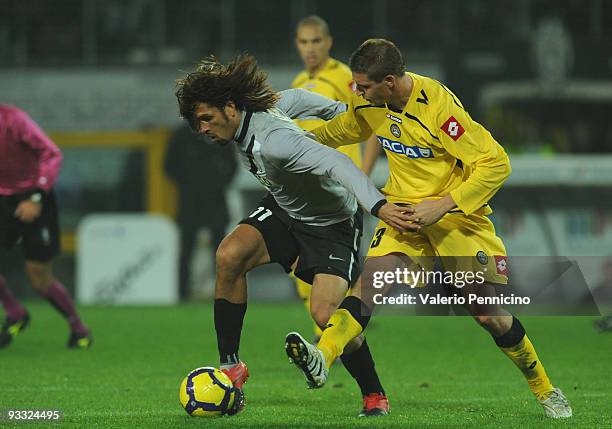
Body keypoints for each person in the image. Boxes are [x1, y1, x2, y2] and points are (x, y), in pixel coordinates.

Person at [284, 39, 572, 419]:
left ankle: (545, 388)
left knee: (490, 315)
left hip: (456, 216)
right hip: (404, 214)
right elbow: (350, 127)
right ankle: (322, 355)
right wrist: (299, 141)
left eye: (364, 86)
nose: (357, 91)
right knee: (369, 286)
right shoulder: (369, 98)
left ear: (390, 81)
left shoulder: (438, 107)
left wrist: (443, 204)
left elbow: (496, 163)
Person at [175, 54, 414, 416]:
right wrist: (337, 110)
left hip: (332, 223)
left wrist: (378, 206)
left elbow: (339, 164)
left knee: (324, 315)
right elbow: (297, 98)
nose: (202, 129)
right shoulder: (256, 112)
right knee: (229, 255)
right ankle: (231, 367)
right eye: (197, 123)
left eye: (206, 118)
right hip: (286, 209)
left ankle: (373, 393)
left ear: (229, 107)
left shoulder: (278, 142)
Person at [291, 15, 381, 341]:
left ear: (328, 42)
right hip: (306, 190)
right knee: (300, 264)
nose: (310, 48)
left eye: (316, 41)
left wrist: (363, 178)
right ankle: (327, 334)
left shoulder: (345, 76)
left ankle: (335, 336)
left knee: (336, 267)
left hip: (339, 188)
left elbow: (372, 126)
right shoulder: (300, 80)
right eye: (303, 42)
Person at [0, 104, 92, 349]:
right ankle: (15, 312)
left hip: (33, 198)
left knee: (38, 277)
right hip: (2, 200)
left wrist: (37, 196)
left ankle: (78, 328)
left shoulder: (14, 119)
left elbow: (51, 153)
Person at [164, 122, 237, 301]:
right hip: (191, 202)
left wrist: (218, 182)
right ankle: (181, 293)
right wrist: (188, 183)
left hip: (214, 200)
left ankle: (224, 293)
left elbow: (232, 165)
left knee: (221, 250)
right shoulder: (181, 135)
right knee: (186, 249)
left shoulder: (218, 133)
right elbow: (168, 166)